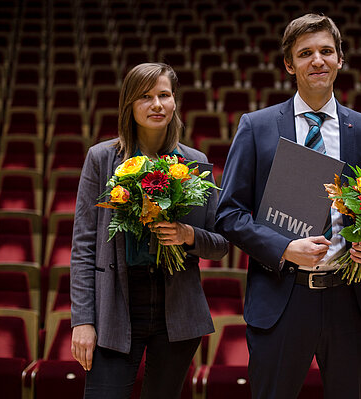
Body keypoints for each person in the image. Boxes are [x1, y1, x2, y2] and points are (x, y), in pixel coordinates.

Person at [215, 14, 361, 399]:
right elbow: (228, 213)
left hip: (350, 299)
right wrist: (284, 248)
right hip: (282, 296)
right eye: (305, 53)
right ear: (289, 65)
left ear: (340, 59)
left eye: (327, 51)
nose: (318, 61)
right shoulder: (256, 126)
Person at [70, 63, 228, 399]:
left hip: (176, 309)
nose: (156, 104)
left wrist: (188, 235)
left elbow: (220, 243)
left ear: (174, 103)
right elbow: (83, 246)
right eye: (145, 96)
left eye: (164, 95)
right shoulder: (101, 158)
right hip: (117, 305)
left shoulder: (195, 162)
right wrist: (82, 320)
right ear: (129, 104)